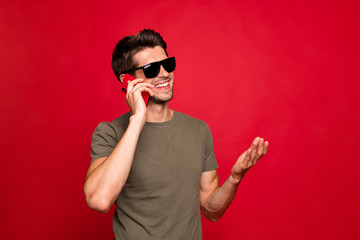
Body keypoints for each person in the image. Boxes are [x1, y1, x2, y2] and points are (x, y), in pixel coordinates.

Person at [83, 29, 269, 240]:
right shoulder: (110, 132)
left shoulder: (198, 130)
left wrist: (235, 178)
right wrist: (137, 120)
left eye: (168, 64)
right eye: (152, 69)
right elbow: (99, 200)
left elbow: (211, 211)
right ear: (128, 80)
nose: (164, 73)